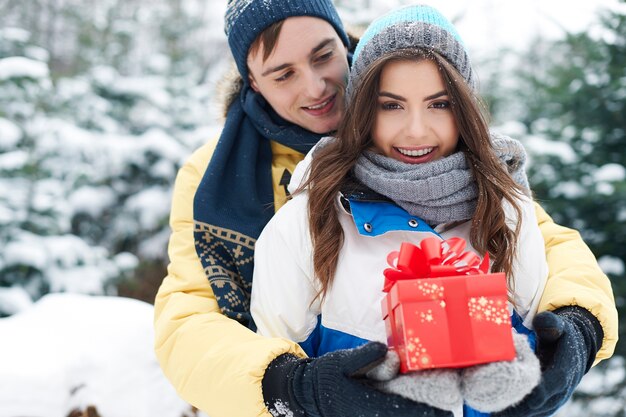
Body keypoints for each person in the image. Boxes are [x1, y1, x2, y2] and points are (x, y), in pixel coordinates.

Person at [153, 1, 618, 416]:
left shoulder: (454, 158)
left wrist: (581, 324)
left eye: (322, 57)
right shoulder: (218, 178)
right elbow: (189, 316)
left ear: (345, 45)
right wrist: (291, 386)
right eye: (284, 74)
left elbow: (543, 239)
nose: (316, 87)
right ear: (252, 82)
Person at [250, 5, 552, 416]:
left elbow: (530, 361)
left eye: (439, 104)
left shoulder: (506, 208)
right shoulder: (310, 218)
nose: (415, 129)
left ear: (464, 108)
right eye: (390, 105)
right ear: (361, 110)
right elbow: (278, 366)